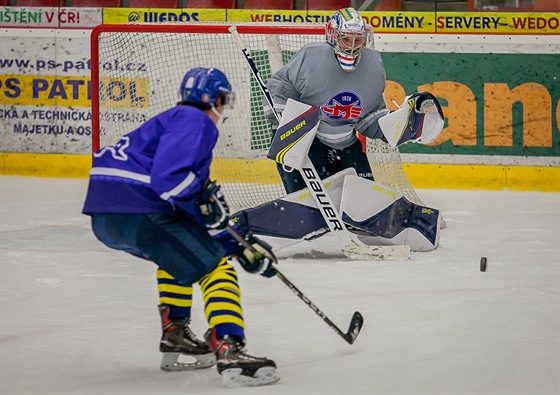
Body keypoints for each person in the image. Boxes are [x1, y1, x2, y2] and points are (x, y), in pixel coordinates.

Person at [82, 67, 279, 388]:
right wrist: (224, 242)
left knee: (177, 255)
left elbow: (191, 211)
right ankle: (230, 348)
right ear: (215, 99)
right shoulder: (195, 121)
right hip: (138, 207)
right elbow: (169, 180)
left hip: (108, 215)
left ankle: (175, 334)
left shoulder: (171, 121)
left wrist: (239, 244)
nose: (224, 109)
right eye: (224, 100)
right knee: (216, 268)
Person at [264, 7, 388, 193]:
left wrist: (392, 128)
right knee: (306, 202)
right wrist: (284, 120)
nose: (352, 46)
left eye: (358, 39)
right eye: (346, 38)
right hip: (309, 142)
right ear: (332, 35)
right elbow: (281, 85)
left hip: (346, 145)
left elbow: (368, 117)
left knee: (364, 199)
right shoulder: (312, 57)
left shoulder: (373, 67)